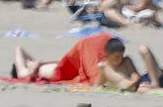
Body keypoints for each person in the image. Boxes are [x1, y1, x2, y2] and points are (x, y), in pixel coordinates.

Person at [11, 34, 153, 88]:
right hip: (61, 71)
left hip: (67, 68)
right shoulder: (30, 72)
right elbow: (18, 49)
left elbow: (65, 60)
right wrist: (35, 65)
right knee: (23, 74)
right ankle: (29, 65)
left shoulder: (48, 67)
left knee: (55, 67)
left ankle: (31, 63)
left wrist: (38, 62)